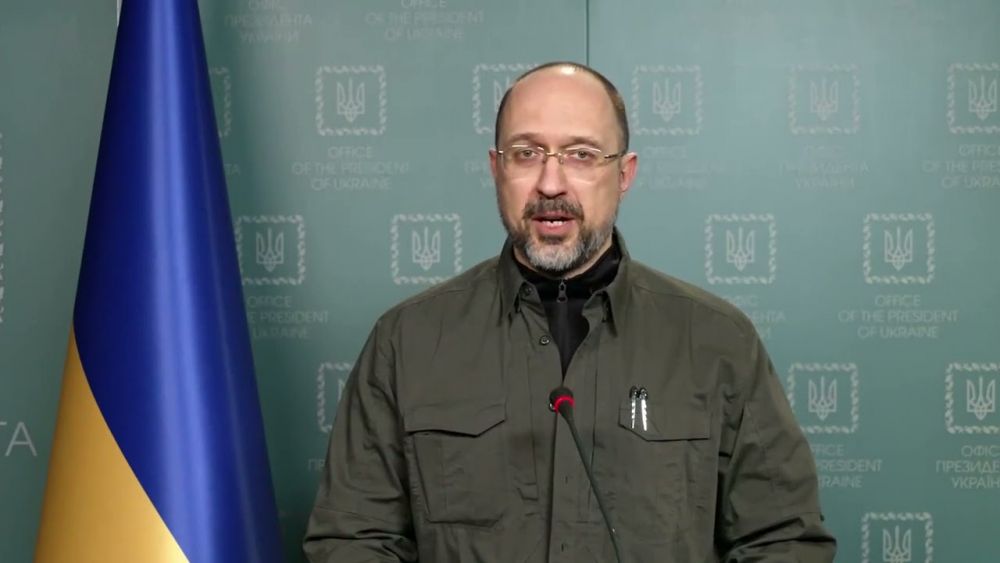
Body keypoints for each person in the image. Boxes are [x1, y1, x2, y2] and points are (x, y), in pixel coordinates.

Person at [303, 61, 836, 562]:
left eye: (581, 154)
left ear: (624, 173)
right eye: (526, 153)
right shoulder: (407, 340)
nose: (551, 184)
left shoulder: (717, 340)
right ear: (496, 168)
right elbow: (353, 539)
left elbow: (782, 539)